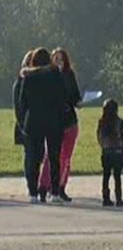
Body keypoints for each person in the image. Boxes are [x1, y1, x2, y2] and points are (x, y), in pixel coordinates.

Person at [19, 47, 67, 204]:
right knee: (54, 157)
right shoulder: (56, 75)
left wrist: (25, 118)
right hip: (53, 120)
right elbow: (62, 98)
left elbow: (22, 101)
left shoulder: (29, 76)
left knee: (33, 158)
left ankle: (33, 193)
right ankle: (54, 193)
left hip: (34, 120)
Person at [38, 48, 82, 202]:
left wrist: (78, 102)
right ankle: (43, 187)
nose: (58, 62)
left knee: (66, 158)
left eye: (61, 59)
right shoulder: (47, 76)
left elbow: (75, 95)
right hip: (54, 122)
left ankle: (61, 187)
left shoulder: (69, 75)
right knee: (51, 157)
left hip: (69, 120)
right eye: (55, 59)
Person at [97, 99, 123, 207]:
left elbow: (99, 137)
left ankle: (106, 198)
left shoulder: (102, 122)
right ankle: (118, 198)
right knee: (117, 176)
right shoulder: (119, 121)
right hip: (117, 152)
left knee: (106, 176)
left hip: (106, 152)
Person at [12, 50, 33, 176]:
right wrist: (23, 125)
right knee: (30, 154)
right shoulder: (19, 83)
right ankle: (31, 183)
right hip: (26, 124)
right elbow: (18, 107)